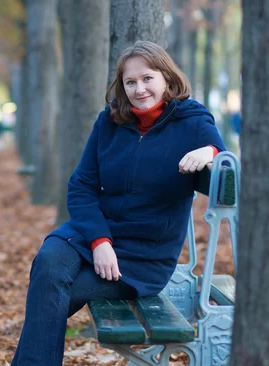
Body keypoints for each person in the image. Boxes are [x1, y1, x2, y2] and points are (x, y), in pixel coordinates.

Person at [11, 41, 225, 366]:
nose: (139, 89)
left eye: (147, 78)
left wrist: (208, 152)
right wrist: (100, 241)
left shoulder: (192, 121)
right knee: (48, 265)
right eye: (130, 82)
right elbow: (81, 185)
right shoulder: (109, 122)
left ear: (166, 77)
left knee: (52, 292)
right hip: (90, 236)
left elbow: (224, 159)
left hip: (141, 258)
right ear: (122, 86)